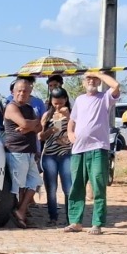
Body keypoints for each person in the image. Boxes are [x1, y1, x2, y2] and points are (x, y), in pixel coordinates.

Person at [64, 71, 122, 235]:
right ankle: (75, 222)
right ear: (83, 83)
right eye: (88, 79)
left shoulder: (105, 97)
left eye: (94, 79)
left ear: (98, 82)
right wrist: (70, 133)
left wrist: (98, 74)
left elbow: (116, 85)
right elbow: (72, 120)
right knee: (76, 186)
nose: (91, 81)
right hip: (78, 149)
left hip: (98, 148)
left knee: (98, 186)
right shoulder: (80, 100)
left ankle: (97, 223)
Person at [2, 77, 42, 229]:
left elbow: (39, 127)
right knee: (19, 186)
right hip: (16, 151)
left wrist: (29, 126)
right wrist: (29, 125)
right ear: (13, 92)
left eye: (25, 91)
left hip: (30, 151)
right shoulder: (11, 107)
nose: (22, 94)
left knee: (35, 182)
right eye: (19, 91)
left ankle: (21, 211)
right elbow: (28, 124)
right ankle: (19, 214)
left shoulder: (29, 108)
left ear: (29, 92)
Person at [39, 87, 73, 226]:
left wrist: (69, 116)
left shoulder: (73, 114)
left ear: (65, 100)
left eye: (60, 102)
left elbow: (79, 130)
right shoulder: (47, 115)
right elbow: (40, 136)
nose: (58, 106)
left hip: (66, 154)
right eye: (55, 103)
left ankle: (71, 217)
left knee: (68, 188)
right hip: (50, 155)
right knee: (51, 187)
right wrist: (51, 128)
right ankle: (53, 216)